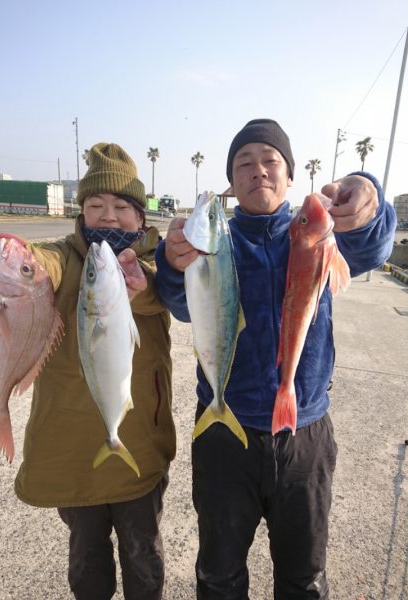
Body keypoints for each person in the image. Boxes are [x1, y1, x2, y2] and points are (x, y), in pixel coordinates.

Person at [154, 119, 397, 599]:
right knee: (219, 576)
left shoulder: (315, 230)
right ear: (231, 182)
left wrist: (367, 197)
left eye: (271, 161)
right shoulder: (216, 239)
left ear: (289, 177)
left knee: (304, 579)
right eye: (245, 163)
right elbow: (181, 303)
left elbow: (373, 244)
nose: (258, 171)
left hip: (304, 435)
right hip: (225, 435)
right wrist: (172, 260)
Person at [0, 143, 176, 600]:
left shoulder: (158, 262)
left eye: (121, 207)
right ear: (80, 212)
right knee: (86, 558)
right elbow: (41, 263)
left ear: (141, 217)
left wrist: (142, 287)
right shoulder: (68, 258)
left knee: (144, 555)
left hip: (139, 445)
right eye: (95, 205)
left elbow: (169, 294)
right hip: (71, 452)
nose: (108, 216)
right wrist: (2, 255)